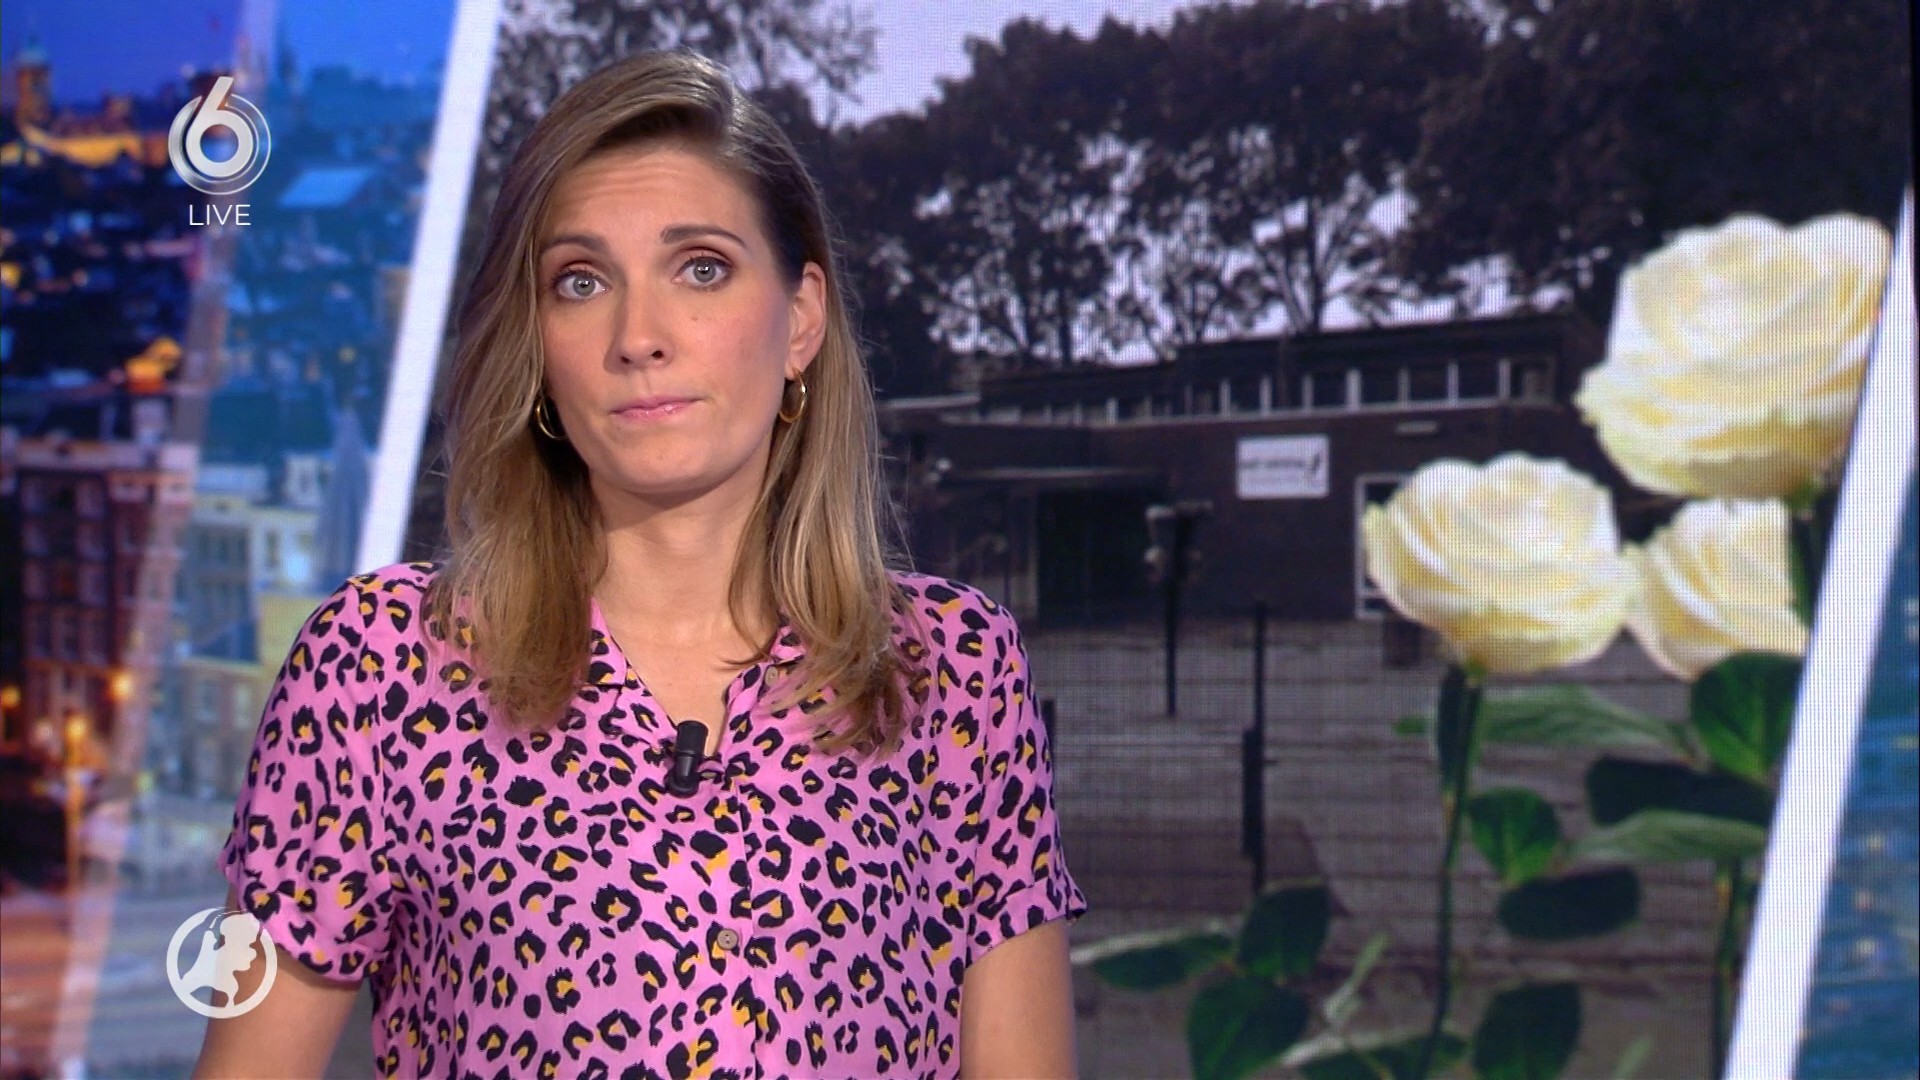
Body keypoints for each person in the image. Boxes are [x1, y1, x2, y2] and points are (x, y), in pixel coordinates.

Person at [192, 50, 1086, 1079]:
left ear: (800, 318)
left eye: (700, 267)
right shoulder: (382, 667)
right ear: (537, 344)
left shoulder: (951, 670)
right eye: (581, 282)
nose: (638, 337)